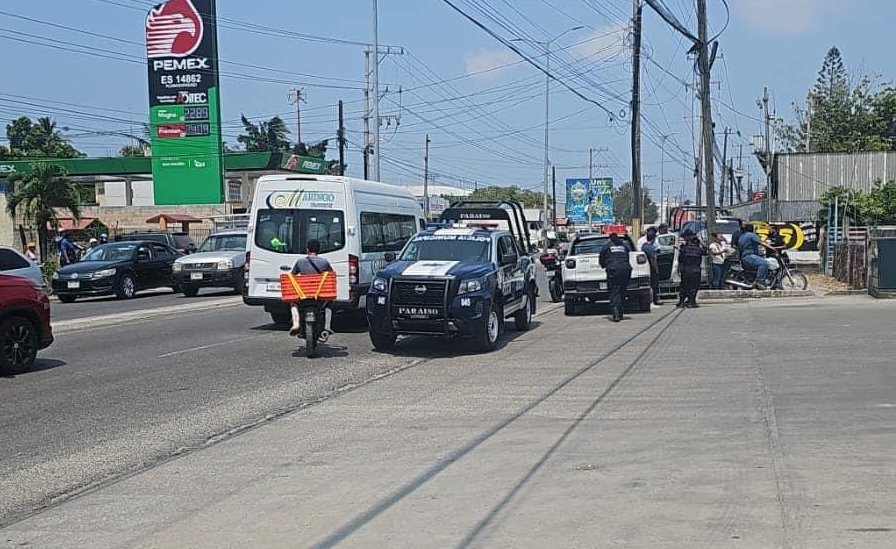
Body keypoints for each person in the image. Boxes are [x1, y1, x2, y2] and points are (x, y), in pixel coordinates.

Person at [289, 239, 334, 337]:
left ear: (307, 249)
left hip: (303, 294)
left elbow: (292, 276)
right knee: (329, 303)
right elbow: (331, 275)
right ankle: (327, 326)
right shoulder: (324, 262)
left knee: (293, 303)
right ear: (319, 250)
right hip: (319, 295)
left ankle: (296, 323)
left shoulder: (300, 262)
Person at [599, 233, 632, 322]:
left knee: (614, 291)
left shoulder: (607, 246)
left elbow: (601, 258)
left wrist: (603, 265)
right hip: (626, 270)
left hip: (613, 270)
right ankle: (620, 313)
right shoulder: (624, 246)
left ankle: (616, 314)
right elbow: (627, 257)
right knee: (622, 290)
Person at [738, 224, 778, 289]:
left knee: (761, 260)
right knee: (764, 263)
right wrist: (773, 248)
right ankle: (759, 282)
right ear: (753, 229)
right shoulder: (752, 235)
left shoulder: (742, 236)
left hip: (744, 257)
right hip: (750, 256)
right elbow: (761, 242)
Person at [677, 232, 706, 308]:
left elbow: (680, 259)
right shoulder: (699, 249)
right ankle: (691, 302)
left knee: (684, 286)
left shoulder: (685, 249)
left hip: (685, 270)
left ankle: (681, 302)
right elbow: (705, 252)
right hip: (695, 271)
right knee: (694, 286)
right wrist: (702, 244)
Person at [641, 227, 662, 306]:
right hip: (650, 269)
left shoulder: (644, 245)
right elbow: (653, 259)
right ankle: (652, 302)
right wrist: (656, 270)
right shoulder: (649, 247)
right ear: (653, 238)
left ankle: (652, 301)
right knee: (652, 285)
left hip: (645, 268)